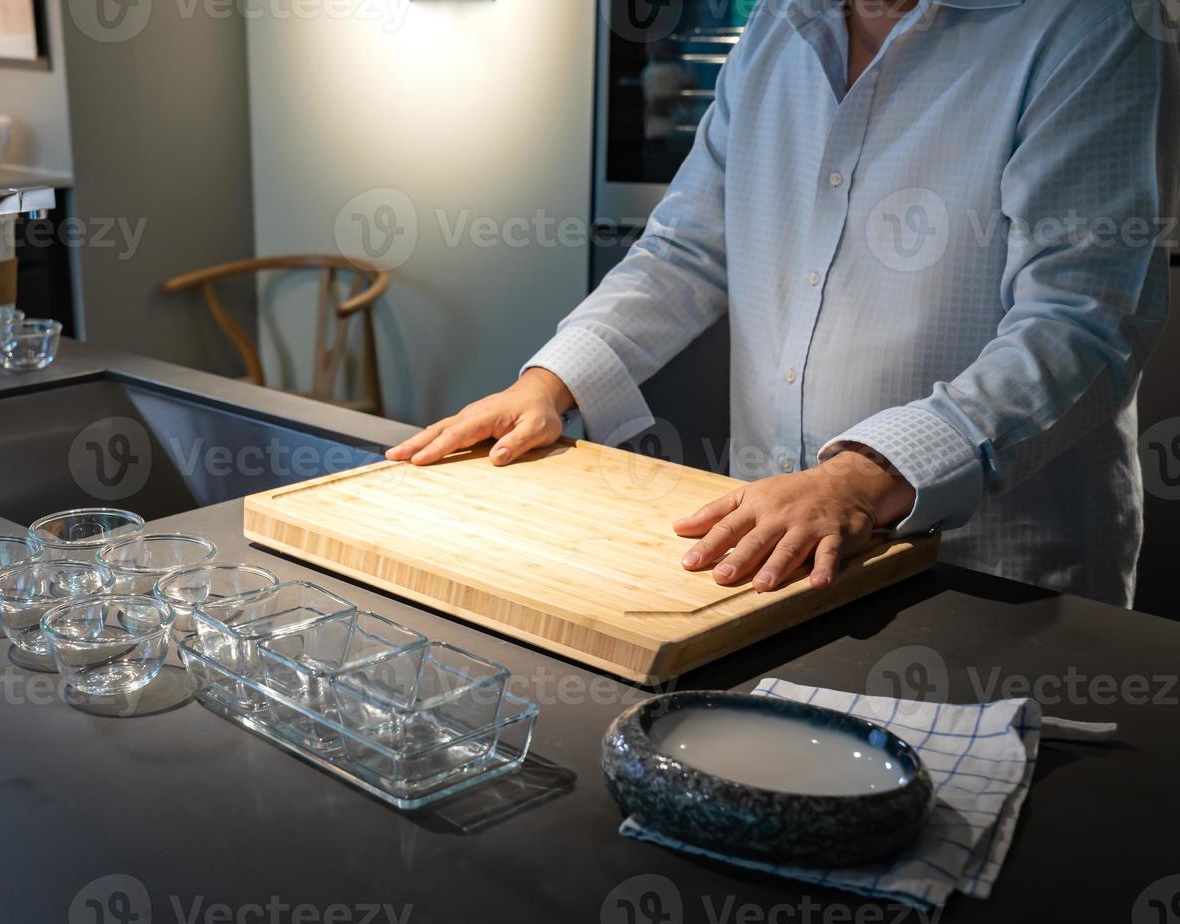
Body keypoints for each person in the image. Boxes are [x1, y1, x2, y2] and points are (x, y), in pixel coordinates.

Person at [388, 0, 1179, 607]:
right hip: (777, 552)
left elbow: (1083, 323)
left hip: (996, 575)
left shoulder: (1091, 25)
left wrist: (868, 474)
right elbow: (687, 247)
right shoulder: (777, 24)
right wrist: (548, 384)